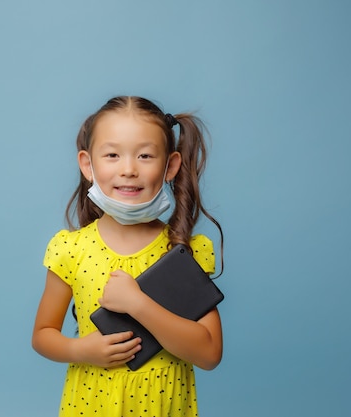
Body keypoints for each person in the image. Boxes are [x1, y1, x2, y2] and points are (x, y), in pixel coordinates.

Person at [32, 96, 224, 416]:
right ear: (87, 164)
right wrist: (80, 349)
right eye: (112, 155)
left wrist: (138, 304)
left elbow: (209, 353)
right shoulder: (70, 250)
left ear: (171, 166)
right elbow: (42, 335)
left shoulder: (186, 251)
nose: (129, 169)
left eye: (145, 155)